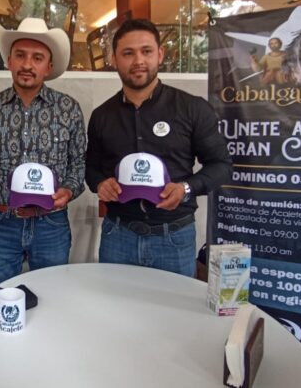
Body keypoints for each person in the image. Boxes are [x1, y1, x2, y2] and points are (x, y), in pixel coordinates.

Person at [85, 18, 231, 277]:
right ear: (114, 59)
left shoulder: (192, 108)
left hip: (174, 238)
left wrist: (186, 188)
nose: (138, 60)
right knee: (115, 301)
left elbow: (221, 166)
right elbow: (91, 167)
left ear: (160, 54)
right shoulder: (102, 115)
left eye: (146, 51)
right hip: (118, 235)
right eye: (128, 53)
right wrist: (100, 184)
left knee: (173, 304)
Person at [0, 17, 85, 289]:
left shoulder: (68, 108)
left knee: (52, 297)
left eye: (37, 58)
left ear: (49, 66)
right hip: (1, 222)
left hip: (51, 223)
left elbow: (79, 162)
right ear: (9, 61)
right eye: (20, 56)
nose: (27, 65)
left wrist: (69, 190)